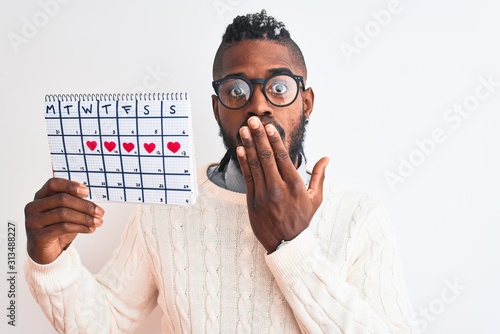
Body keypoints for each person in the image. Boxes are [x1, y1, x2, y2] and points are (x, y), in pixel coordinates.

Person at [25, 10, 416, 333]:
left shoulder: (359, 216)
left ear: (306, 103)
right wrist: (50, 261)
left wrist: (292, 245)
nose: (258, 105)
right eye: (237, 91)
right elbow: (106, 323)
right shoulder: (166, 206)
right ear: (217, 109)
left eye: (279, 88)